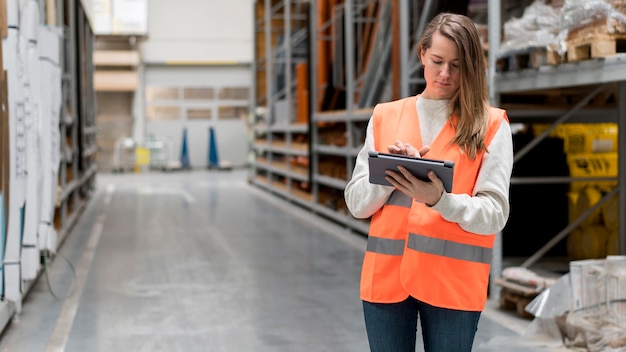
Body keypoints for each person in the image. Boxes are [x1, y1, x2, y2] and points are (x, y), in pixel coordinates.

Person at [344, 12, 514, 352]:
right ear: (422, 54)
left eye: (457, 64)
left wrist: (440, 199)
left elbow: (495, 213)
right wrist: (395, 174)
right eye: (437, 61)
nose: (445, 74)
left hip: (452, 284)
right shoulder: (385, 116)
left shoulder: (491, 125)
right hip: (387, 280)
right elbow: (356, 204)